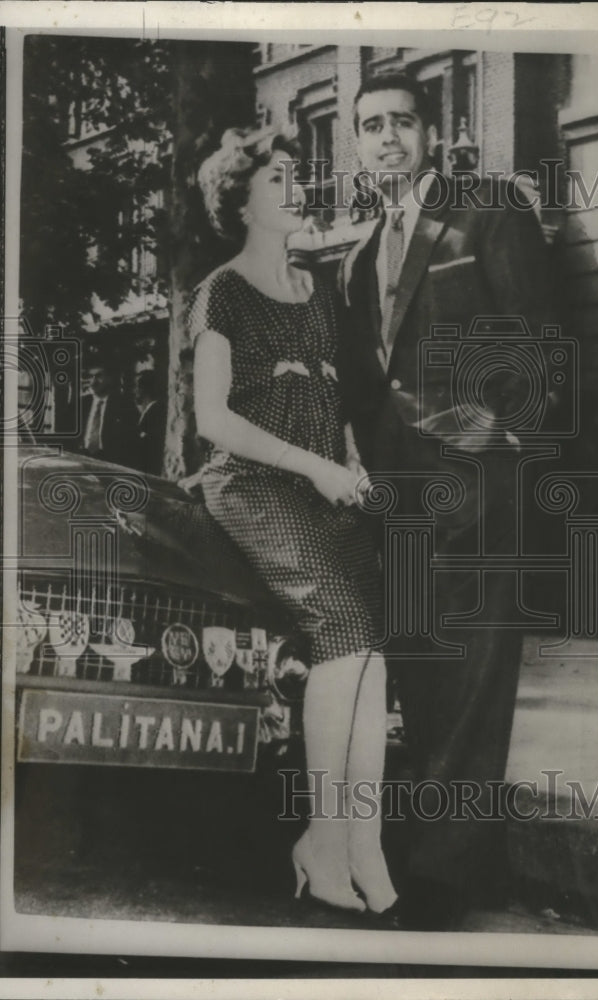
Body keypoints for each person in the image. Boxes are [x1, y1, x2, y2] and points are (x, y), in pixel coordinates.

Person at [339, 73, 557, 929]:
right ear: (355, 146)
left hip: (481, 494)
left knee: (473, 685)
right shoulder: (360, 255)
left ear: (430, 133)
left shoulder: (488, 210)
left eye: (400, 122)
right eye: (369, 127)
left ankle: (439, 878)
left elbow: (544, 337)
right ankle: (456, 859)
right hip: (400, 503)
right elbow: (364, 386)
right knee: (425, 682)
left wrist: (502, 430)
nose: (386, 138)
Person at [185, 126, 399, 920]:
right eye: (275, 178)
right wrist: (315, 467)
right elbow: (215, 420)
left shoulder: (316, 285)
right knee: (344, 623)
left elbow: (334, 397)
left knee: (367, 649)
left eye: (295, 175)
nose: (295, 186)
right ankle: (323, 836)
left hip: (322, 482)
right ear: (239, 203)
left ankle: (356, 840)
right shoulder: (222, 291)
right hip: (253, 484)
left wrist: (348, 459)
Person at [79, 360, 136, 467]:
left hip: (110, 463)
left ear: (110, 379)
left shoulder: (124, 405)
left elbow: (130, 442)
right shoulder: (80, 404)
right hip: (81, 459)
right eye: (91, 376)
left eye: (99, 376)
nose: (94, 381)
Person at [134, 369, 165, 476]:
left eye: (136, 386)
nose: (134, 391)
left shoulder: (156, 411)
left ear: (143, 388)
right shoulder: (148, 410)